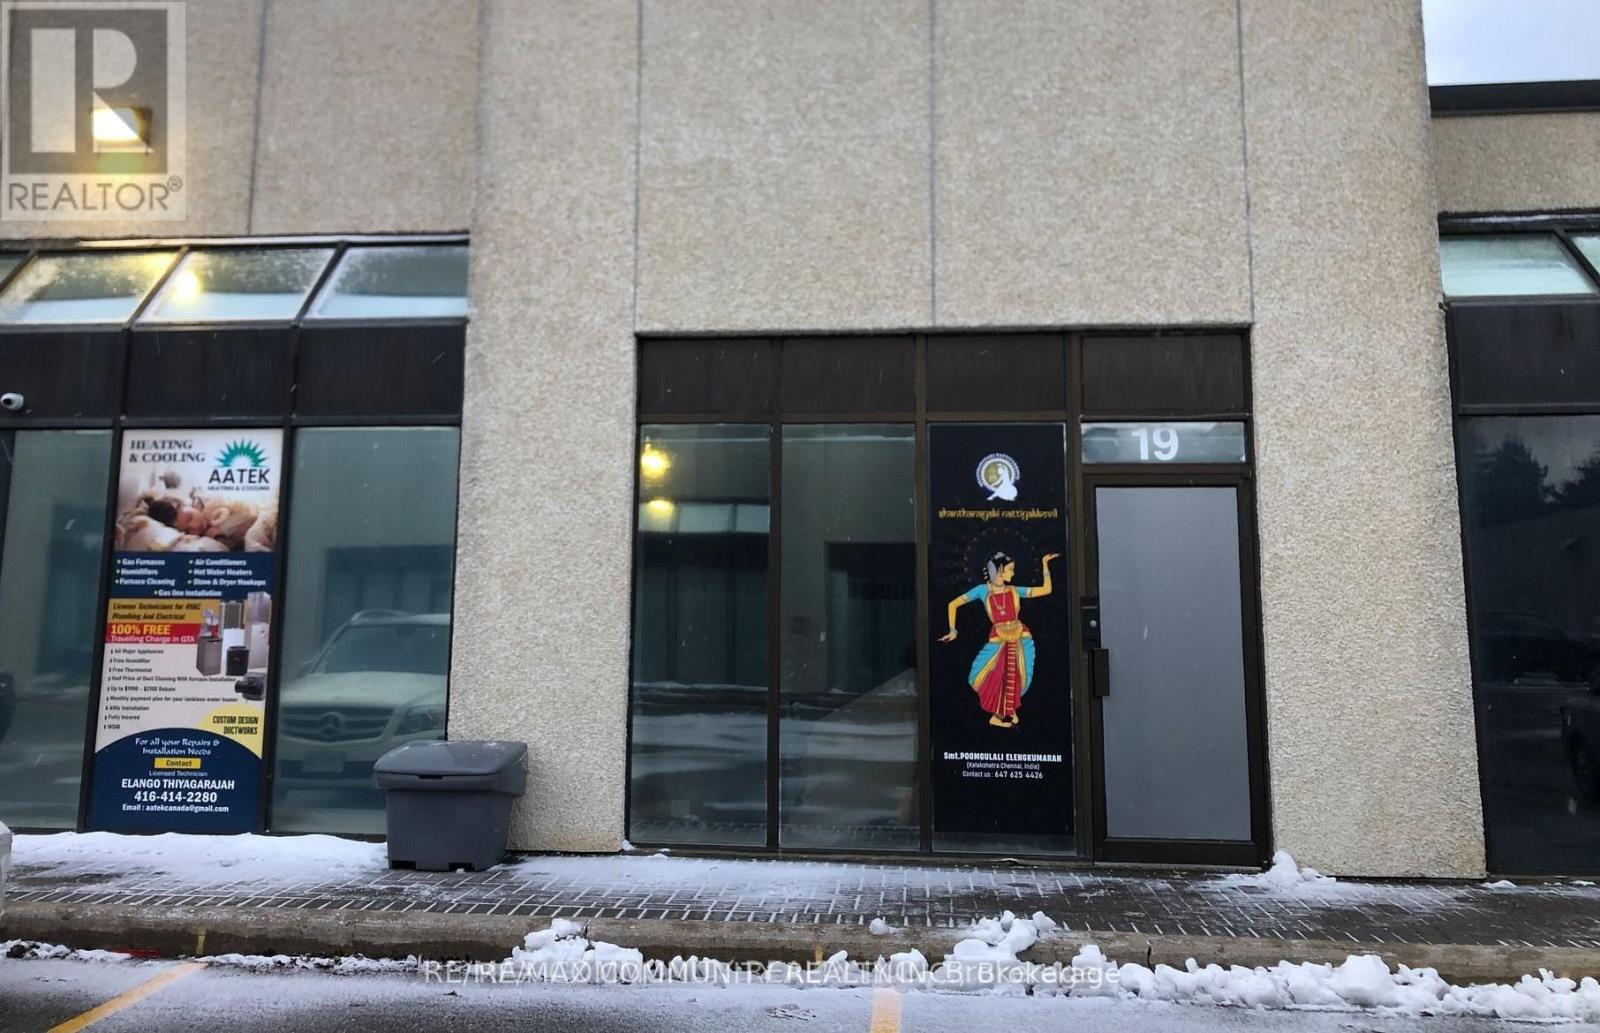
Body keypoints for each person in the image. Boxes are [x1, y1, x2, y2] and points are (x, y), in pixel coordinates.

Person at [939, 551, 1058, 727]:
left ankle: (1007, 712)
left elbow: (1046, 590)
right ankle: (997, 715)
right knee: (990, 674)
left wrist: (1044, 564)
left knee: (1016, 674)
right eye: (1010, 569)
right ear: (999, 570)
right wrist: (953, 630)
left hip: (1020, 637)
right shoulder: (983, 591)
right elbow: (953, 604)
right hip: (998, 639)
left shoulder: (1014, 590)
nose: (1013, 573)